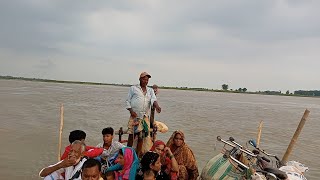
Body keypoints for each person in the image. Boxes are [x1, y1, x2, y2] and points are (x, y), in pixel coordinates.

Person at [125, 72, 161, 156]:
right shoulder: (133, 88)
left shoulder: (150, 90)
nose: (146, 81)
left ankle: (137, 155)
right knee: (131, 135)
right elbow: (127, 101)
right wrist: (131, 111)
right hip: (135, 116)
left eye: (147, 80)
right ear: (140, 79)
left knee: (142, 136)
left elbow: (153, 100)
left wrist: (157, 106)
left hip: (144, 116)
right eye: (144, 79)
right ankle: (127, 154)